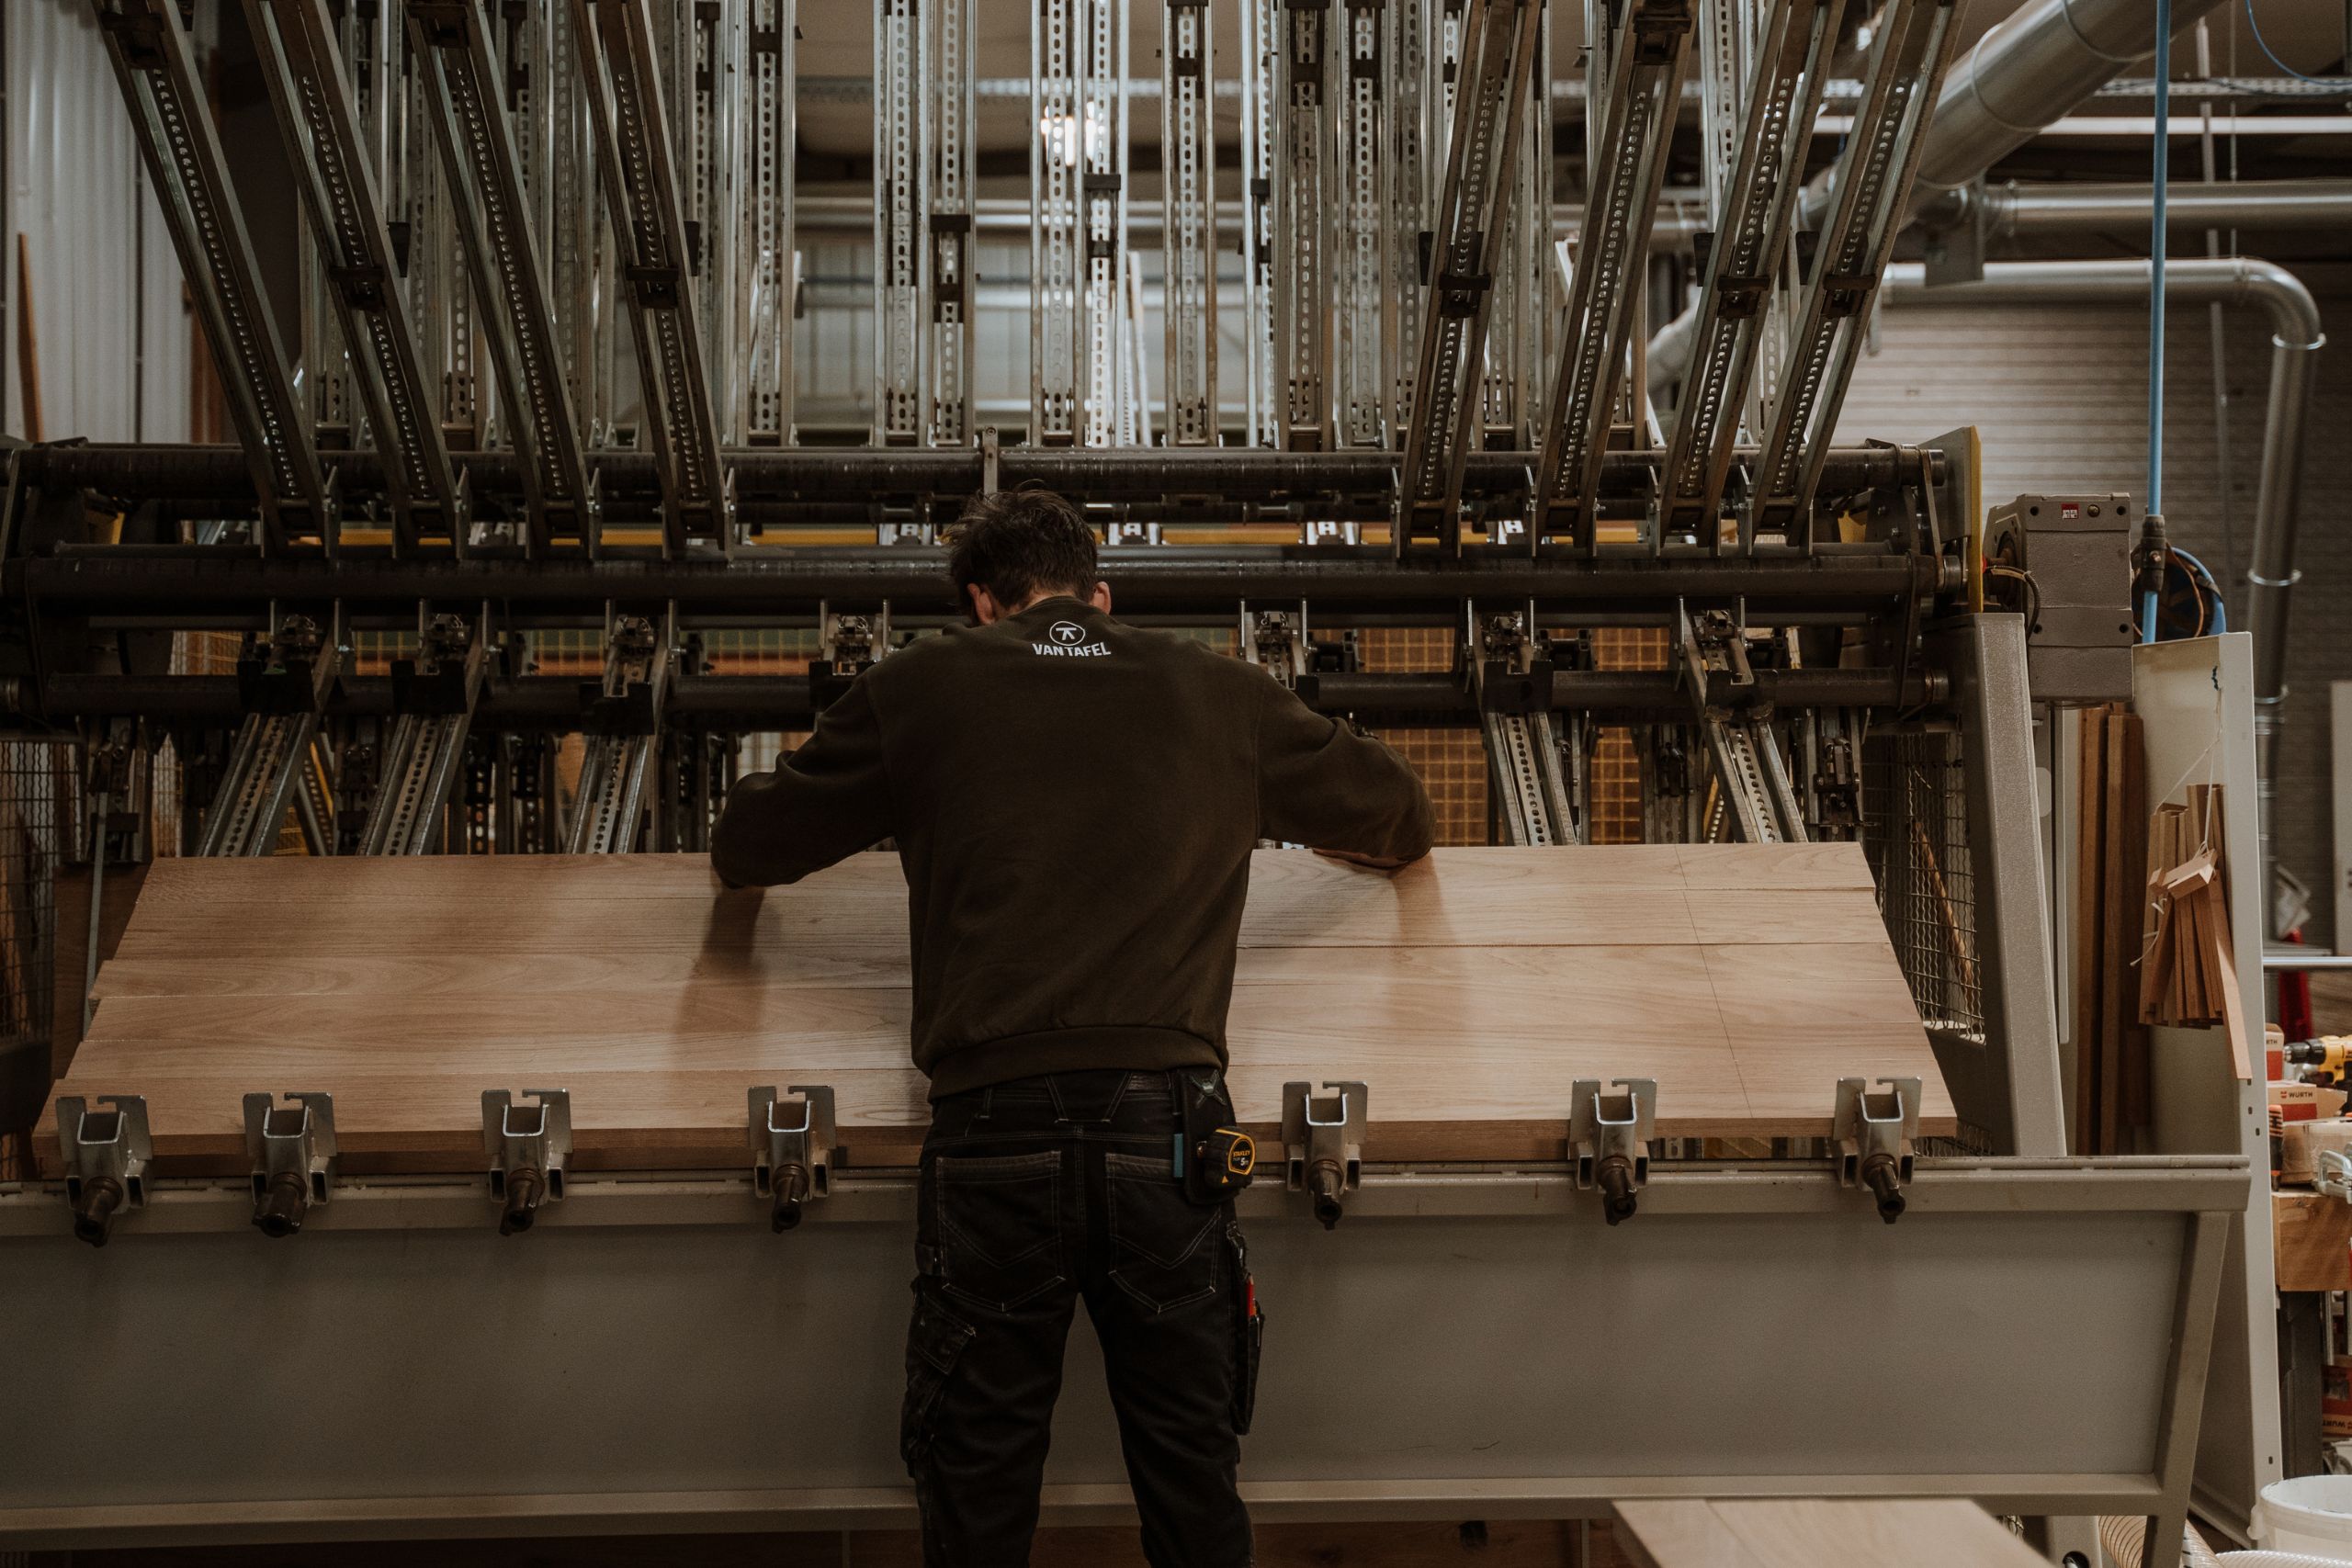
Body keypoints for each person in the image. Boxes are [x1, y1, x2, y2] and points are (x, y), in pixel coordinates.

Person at [711, 488, 1434, 1568]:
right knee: (1192, 1485)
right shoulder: (1217, 692)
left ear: (979, 604)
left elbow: (750, 842)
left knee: (979, 1497)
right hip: (1174, 1138)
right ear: (1100, 595)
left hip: (993, 1134)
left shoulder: (921, 689)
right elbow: (1400, 815)